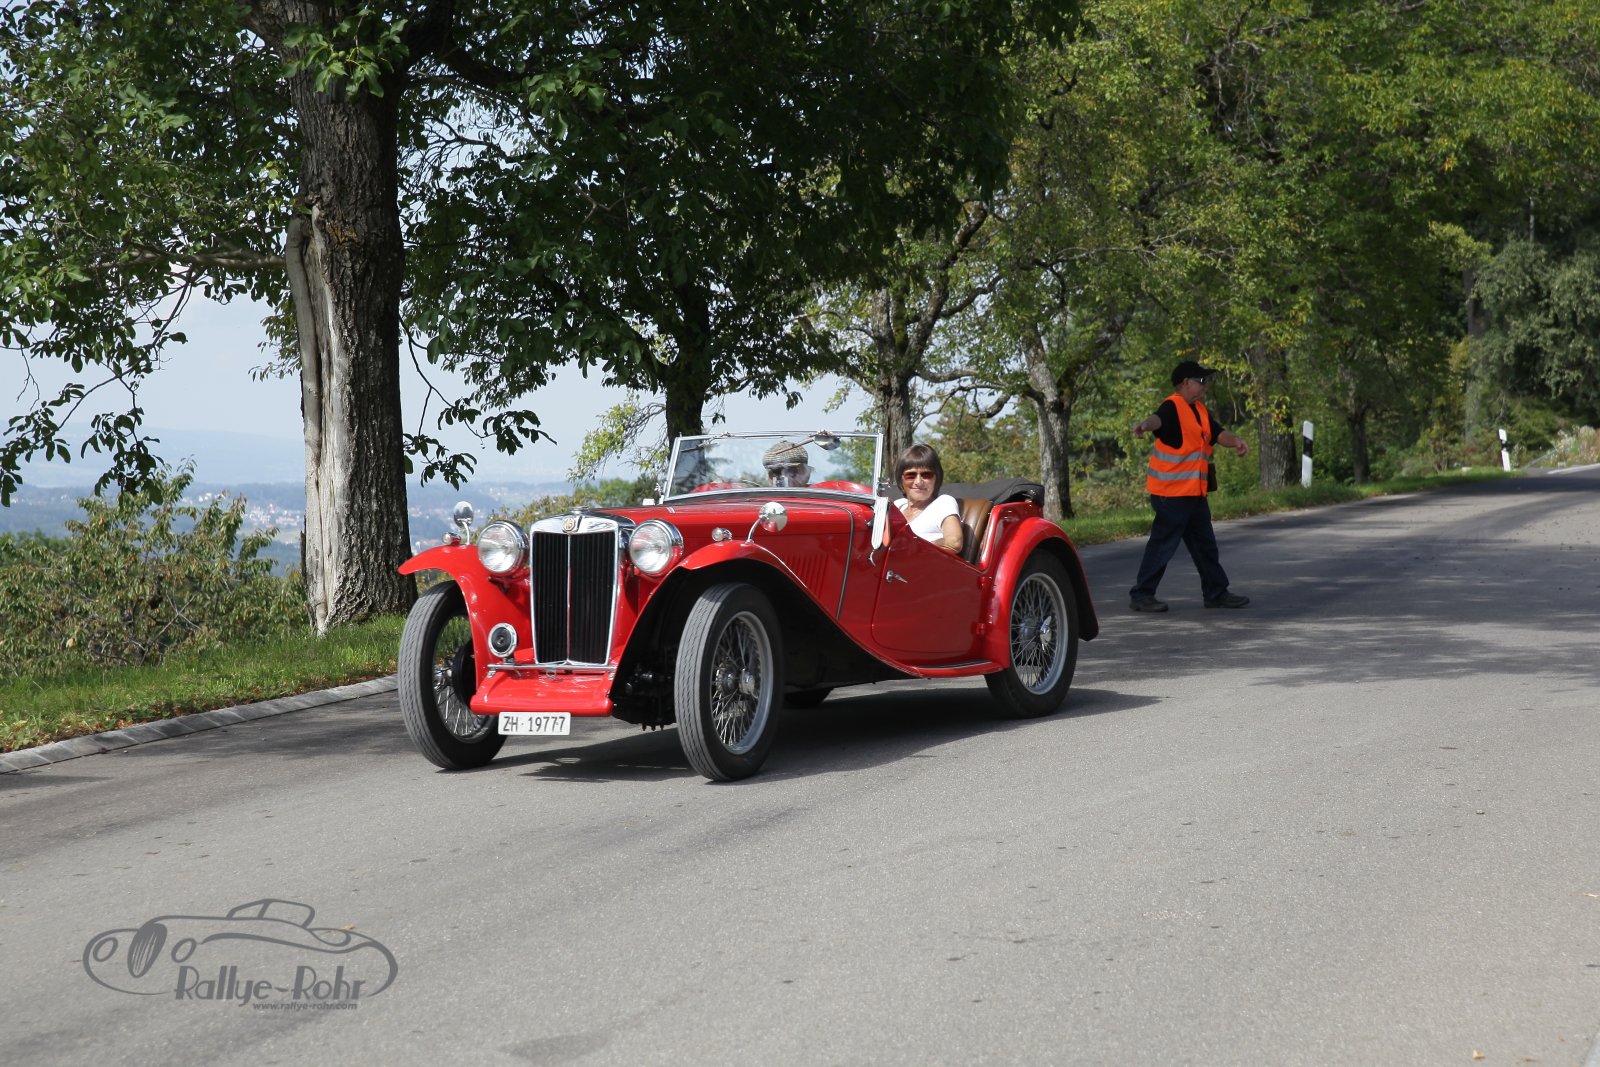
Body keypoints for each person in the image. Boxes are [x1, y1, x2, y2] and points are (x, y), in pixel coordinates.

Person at [1128, 360, 1251, 612]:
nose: (1205, 386)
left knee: (1205, 545)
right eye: (1201, 380)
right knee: (1163, 545)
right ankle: (1141, 595)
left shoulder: (1200, 411)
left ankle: (1216, 593)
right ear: (1185, 383)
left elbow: (1218, 433)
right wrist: (1144, 426)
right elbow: (1157, 420)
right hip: (1171, 495)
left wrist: (1236, 441)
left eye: (1206, 381)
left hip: (1194, 494)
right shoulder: (1172, 407)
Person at [893, 443, 963, 554]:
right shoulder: (897, 506)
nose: (918, 482)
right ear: (901, 480)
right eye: (910, 475)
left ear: (936, 479)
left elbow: (954, 543)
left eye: (926, 475)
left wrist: (919, 546)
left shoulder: (943, 503)